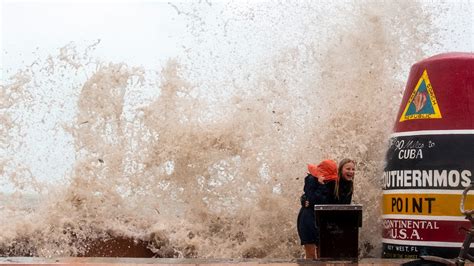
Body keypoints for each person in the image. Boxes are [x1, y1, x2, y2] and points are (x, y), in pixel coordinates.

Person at [296, 159, 338, 259]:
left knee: (323, 255)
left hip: (322, 219)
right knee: (311, 255)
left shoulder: (332, 183)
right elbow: (314, 200)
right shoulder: (311, 180)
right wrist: (321, 185)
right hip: (308, 219)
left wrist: (304, 198)